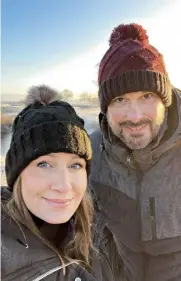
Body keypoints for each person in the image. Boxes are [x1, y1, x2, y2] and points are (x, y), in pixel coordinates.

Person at [89, 23, 181, 281]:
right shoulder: (91, 151)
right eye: (119, 100)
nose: (135, 116)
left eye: (147, 96)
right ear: (105, 108)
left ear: (165, 98)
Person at [1, 85, 116, 281]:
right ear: (17, 175)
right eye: (44, 164)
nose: (64, 185)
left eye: (75, 166)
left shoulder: (100, 233)